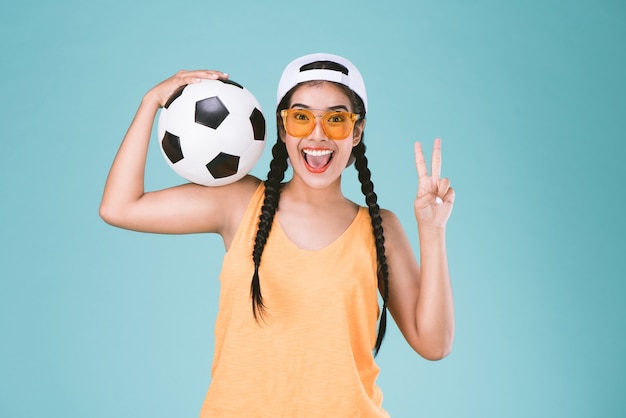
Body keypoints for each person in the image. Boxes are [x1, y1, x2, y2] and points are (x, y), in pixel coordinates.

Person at [100, 53, 455, 417]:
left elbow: (434, 344)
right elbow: (119, 207)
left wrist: (432, 230)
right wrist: (150, 103)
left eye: (336, 119)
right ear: (283, 129)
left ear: (356, 131)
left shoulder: (381, 228)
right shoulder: (238, 202)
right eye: (301, 118)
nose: (318, 135)